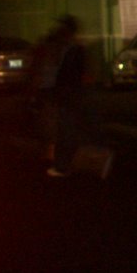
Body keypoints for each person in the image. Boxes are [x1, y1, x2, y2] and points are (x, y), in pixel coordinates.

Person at [45, 15, 87, 177]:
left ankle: (64, 166)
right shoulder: (70, 48)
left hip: (70, 94)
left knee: (66, 130)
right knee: (66, 129)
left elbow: (75, 73)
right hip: (69, 94)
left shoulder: (74, 49)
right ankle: (66, 164)